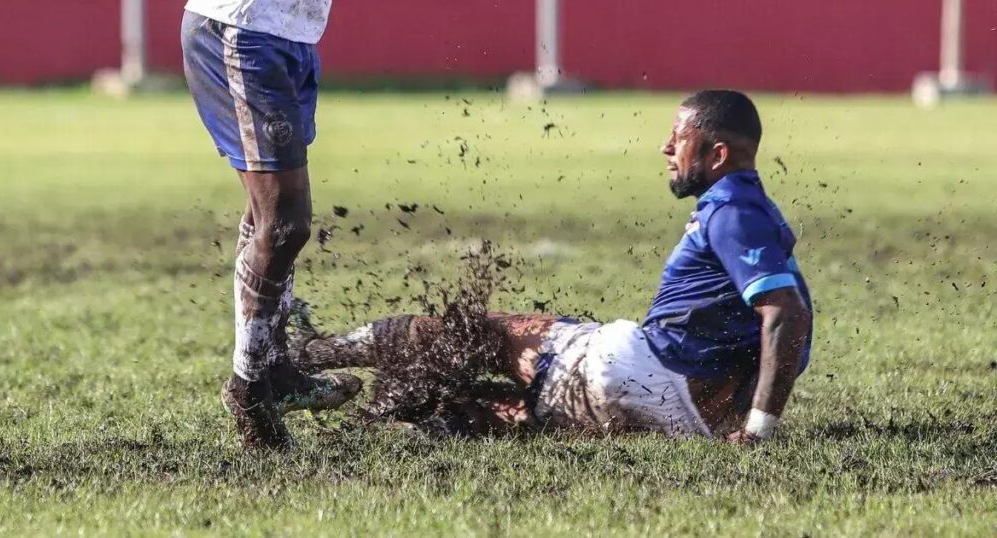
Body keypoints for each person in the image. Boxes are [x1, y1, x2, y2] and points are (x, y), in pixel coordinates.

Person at [293, 90, 814, 443]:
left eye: (678, 139)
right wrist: (736, 413)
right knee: (487, 410)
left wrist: (761, 427)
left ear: (718, 153)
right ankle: (375, 424)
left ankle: (304, 357)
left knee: (473, 332)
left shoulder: (732, 211)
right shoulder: (761, 214)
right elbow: (788, 327)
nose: (666, 147)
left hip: (636, 370)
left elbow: (786, 316)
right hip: (689, 415)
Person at [180, 0, 359, 449]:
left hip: (290, 34)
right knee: (285, 224)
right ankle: (250, 389)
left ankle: (272, 366)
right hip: (242, 31)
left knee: (269, 214)